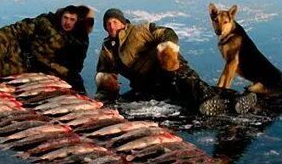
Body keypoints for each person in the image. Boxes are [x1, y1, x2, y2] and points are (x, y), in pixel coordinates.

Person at [94, 8, 256, 116]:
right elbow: (105, 71)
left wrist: (168, 50)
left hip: (166, 67)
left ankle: (215, 99)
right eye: (108, 24)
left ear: (123, 22)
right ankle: (231, 99)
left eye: (115, 21)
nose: (112, 25)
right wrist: (105, 91)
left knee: (186, 82)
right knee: (177, 97)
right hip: (146, 84)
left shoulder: (140, 30)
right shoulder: (108, 48)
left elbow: (167, 33)